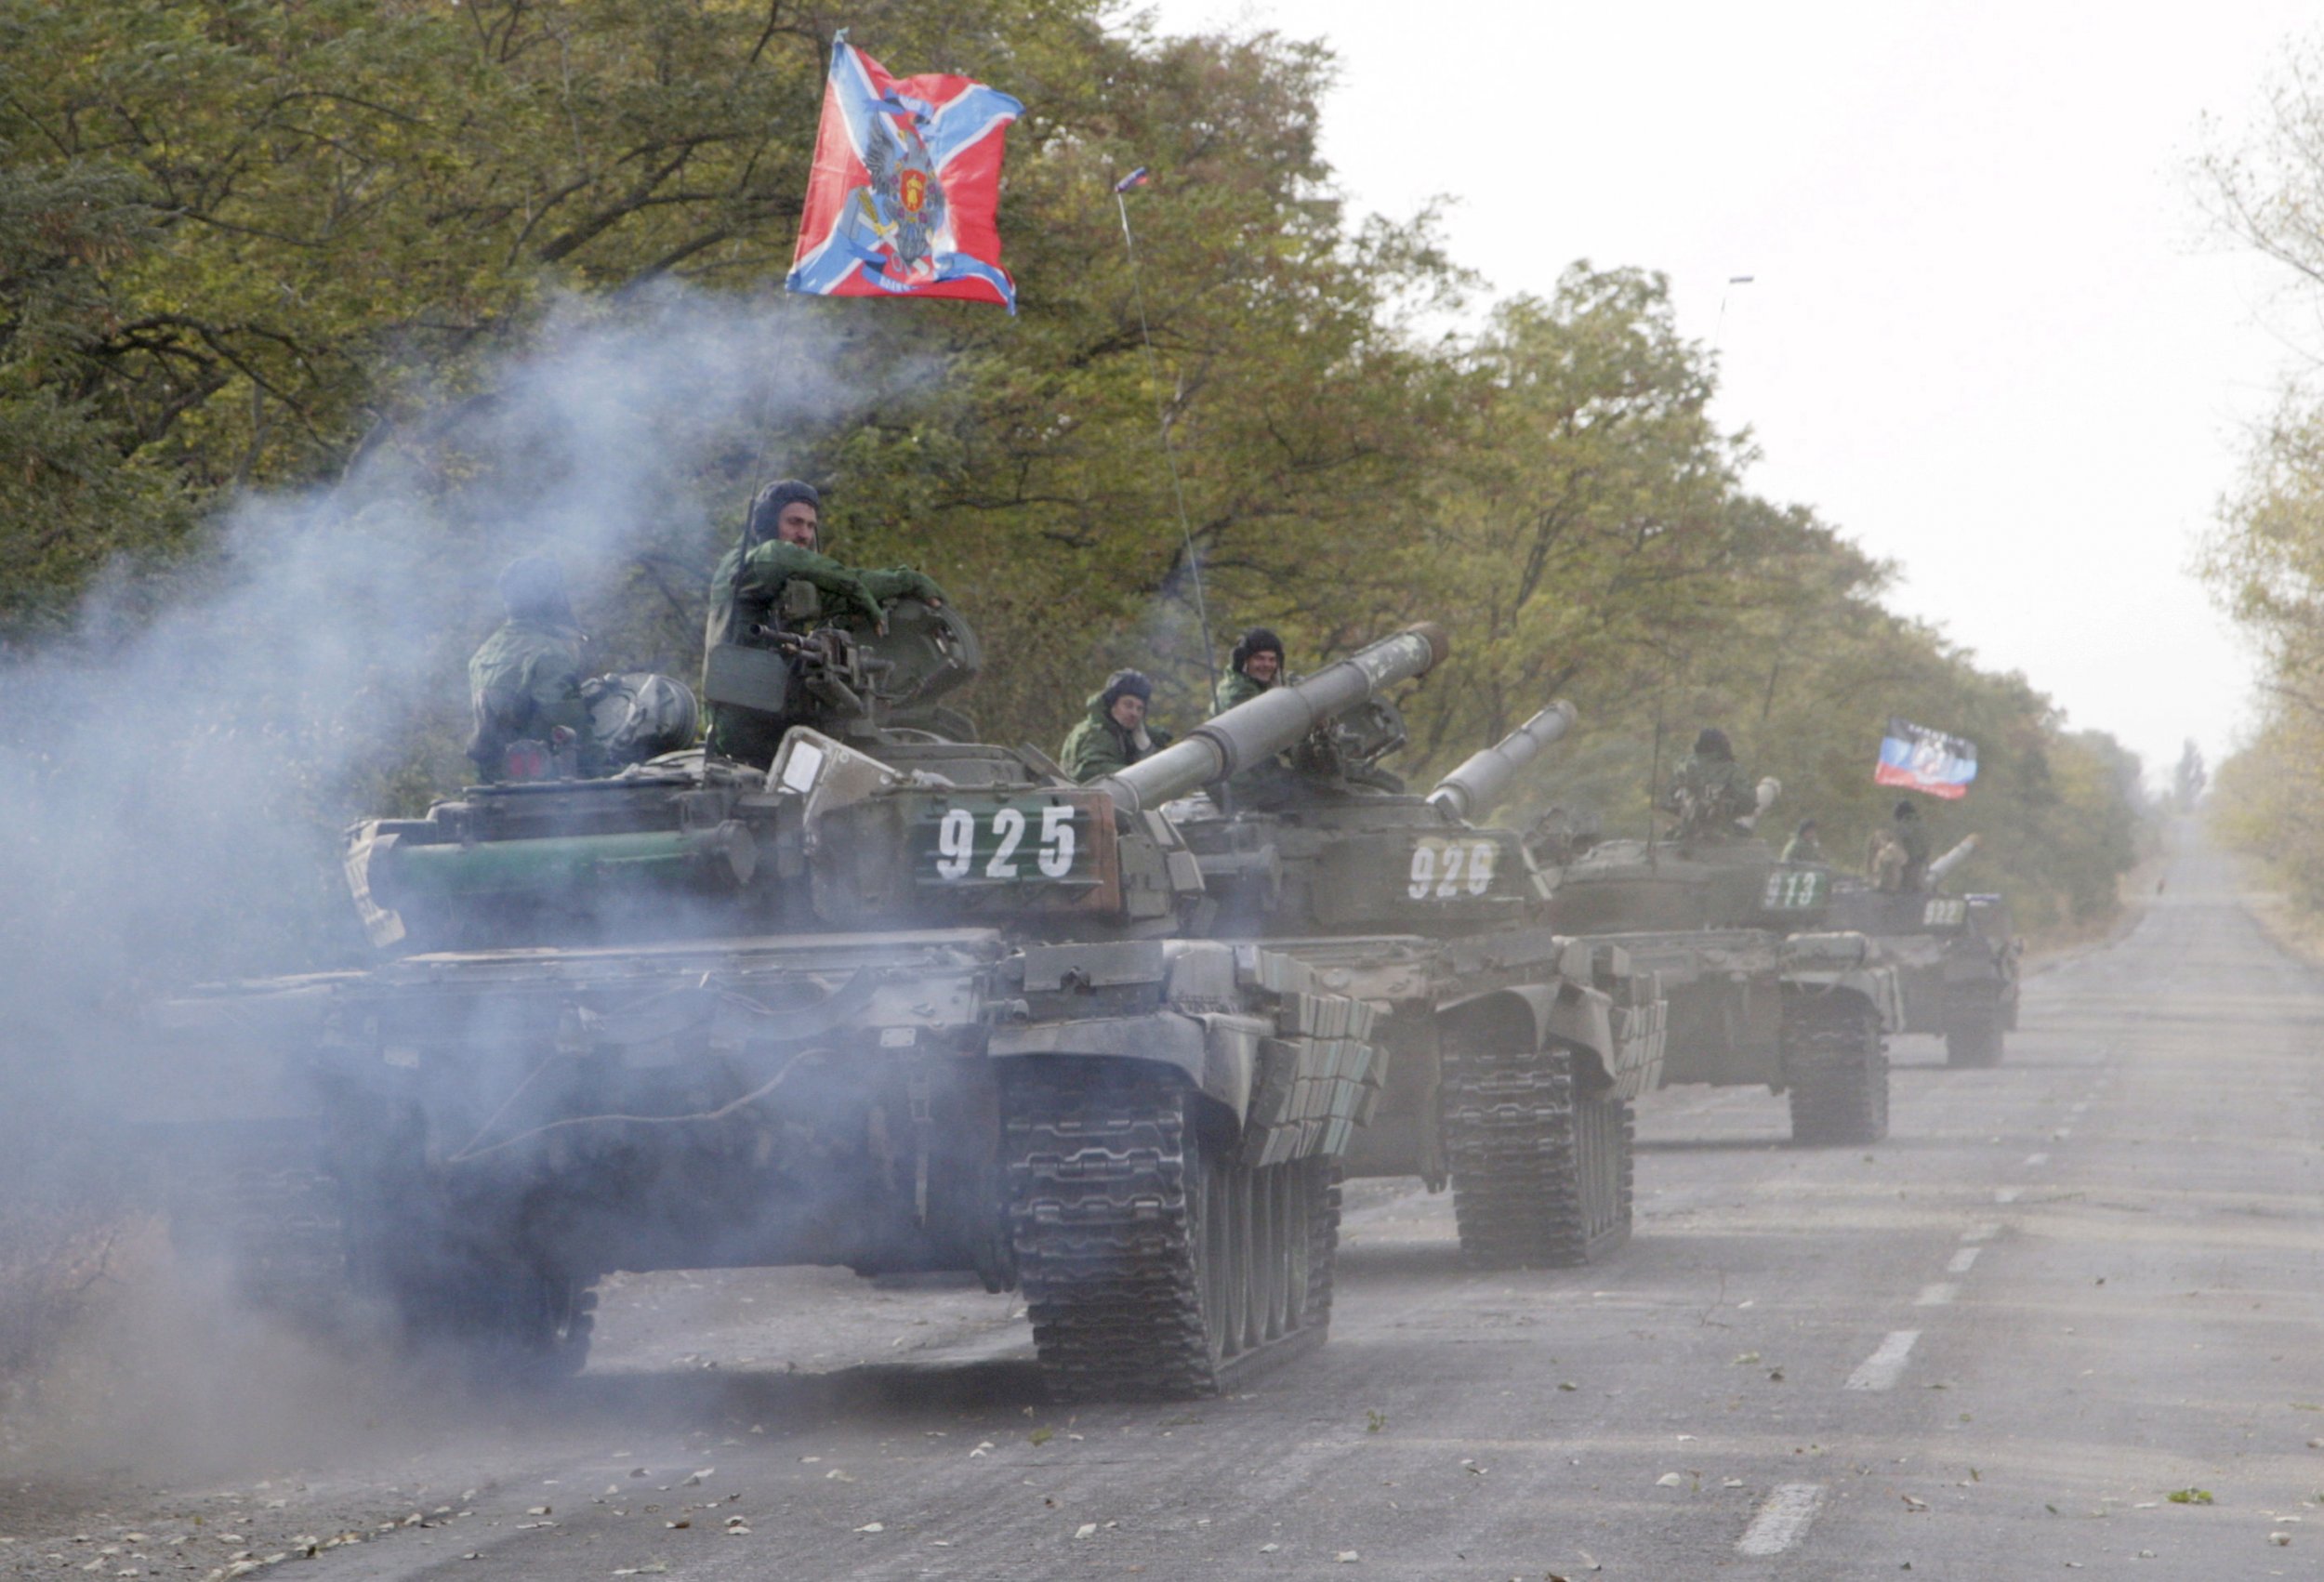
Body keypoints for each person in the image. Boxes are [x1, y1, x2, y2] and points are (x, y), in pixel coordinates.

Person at [702, 479, 946, 762]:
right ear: (767, 524)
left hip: (781, 724)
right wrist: (854, 589)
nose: (803, 534)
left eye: (810, 526)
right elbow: (779, 556)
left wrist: (906, 581)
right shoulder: (742, 565)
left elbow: (849, 584)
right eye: (794, 522)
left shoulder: (792, 580)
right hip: (736, 729)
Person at [467, 554, 596, 782]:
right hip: (551, 788)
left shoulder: (483, 653)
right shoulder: (548, 654)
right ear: (551, 598)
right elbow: (571, 731)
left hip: (495, 783)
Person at [1058, 668, 1173, 781]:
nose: (1134, 713)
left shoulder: (1123, 732)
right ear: (1112, 705)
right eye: (1128, 705)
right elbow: (1090, 770)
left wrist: (1155, 740)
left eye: (1140, 709)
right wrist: (1139, 774)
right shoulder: (1097, 733)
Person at [1663, 727, 1756, 838]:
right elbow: (1748, 803)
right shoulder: (1732, 770)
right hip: (1722, 834)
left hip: (1685, 833)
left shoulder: (1682, 766)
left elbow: (1668, 801)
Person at [1212, 626, 1284, 712]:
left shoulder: (1262, 685)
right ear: (1244, 661)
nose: (1267, 665)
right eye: (1259, 658)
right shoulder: (1239, 691)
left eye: (1272, 659)